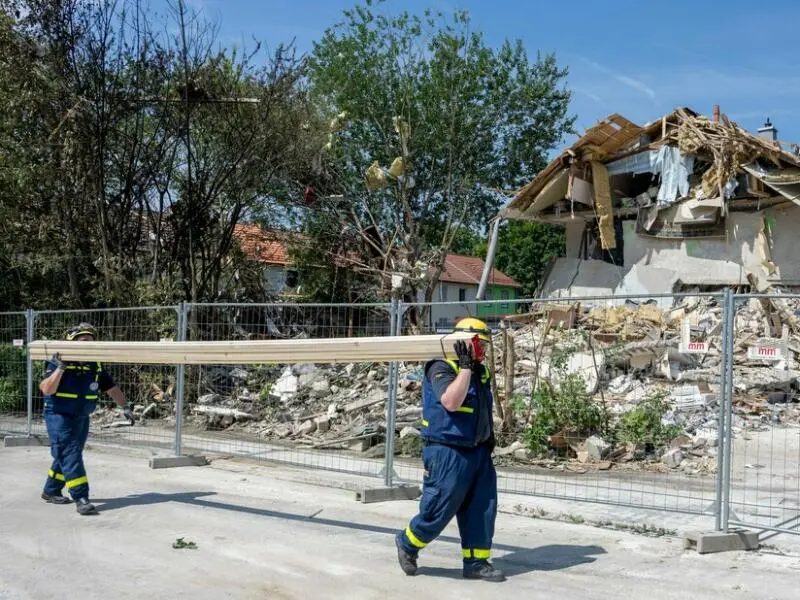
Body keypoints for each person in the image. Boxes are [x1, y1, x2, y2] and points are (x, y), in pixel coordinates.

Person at [395, 317, 505, 582]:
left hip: (478, 451)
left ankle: (476, 562)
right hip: (447, 451)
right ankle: (408, 543)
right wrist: (465, 368)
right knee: (439, 507)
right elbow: (451, 401)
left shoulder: (480, 372)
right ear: (465, 344)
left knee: (482, 508)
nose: (484, 352)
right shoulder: (441, 366)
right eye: (480, 346)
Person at [39, 322, 134, 515]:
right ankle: (81, 497)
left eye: (90, 341)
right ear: (71, 342)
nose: (87, 345)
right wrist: (60, 368)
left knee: (65, 454)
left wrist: (125, 406)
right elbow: (47, 389)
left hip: (81, 416)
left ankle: (51, 490)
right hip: (59, 415)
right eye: (82, 341)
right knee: (71, 454)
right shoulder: (57, 361)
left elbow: (111, 387)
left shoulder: (95, 364)